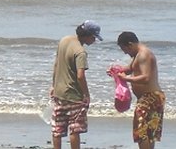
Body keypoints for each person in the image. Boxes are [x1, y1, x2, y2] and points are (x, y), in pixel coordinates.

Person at [49, 21, 102, 149]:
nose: (94, 40)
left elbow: (56, 64)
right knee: (75, 129)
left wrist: (53, 85)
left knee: (57, 129)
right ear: (87, 35)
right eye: (93, 37)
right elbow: (80, 76)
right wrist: (86, 95)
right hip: (74, 95)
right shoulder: (80, 52)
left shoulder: (64, 40)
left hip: (59, 92)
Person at [115, 31, 165, 149]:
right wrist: (116, 71)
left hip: (150, 97)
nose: (125, 53)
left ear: (130, 44)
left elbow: (146, 77)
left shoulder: (143, 54)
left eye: (124, 49)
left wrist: (126, 79)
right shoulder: (137, 55)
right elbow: (129, 69)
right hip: (150, 97)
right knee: (148, 132)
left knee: (142, 132)